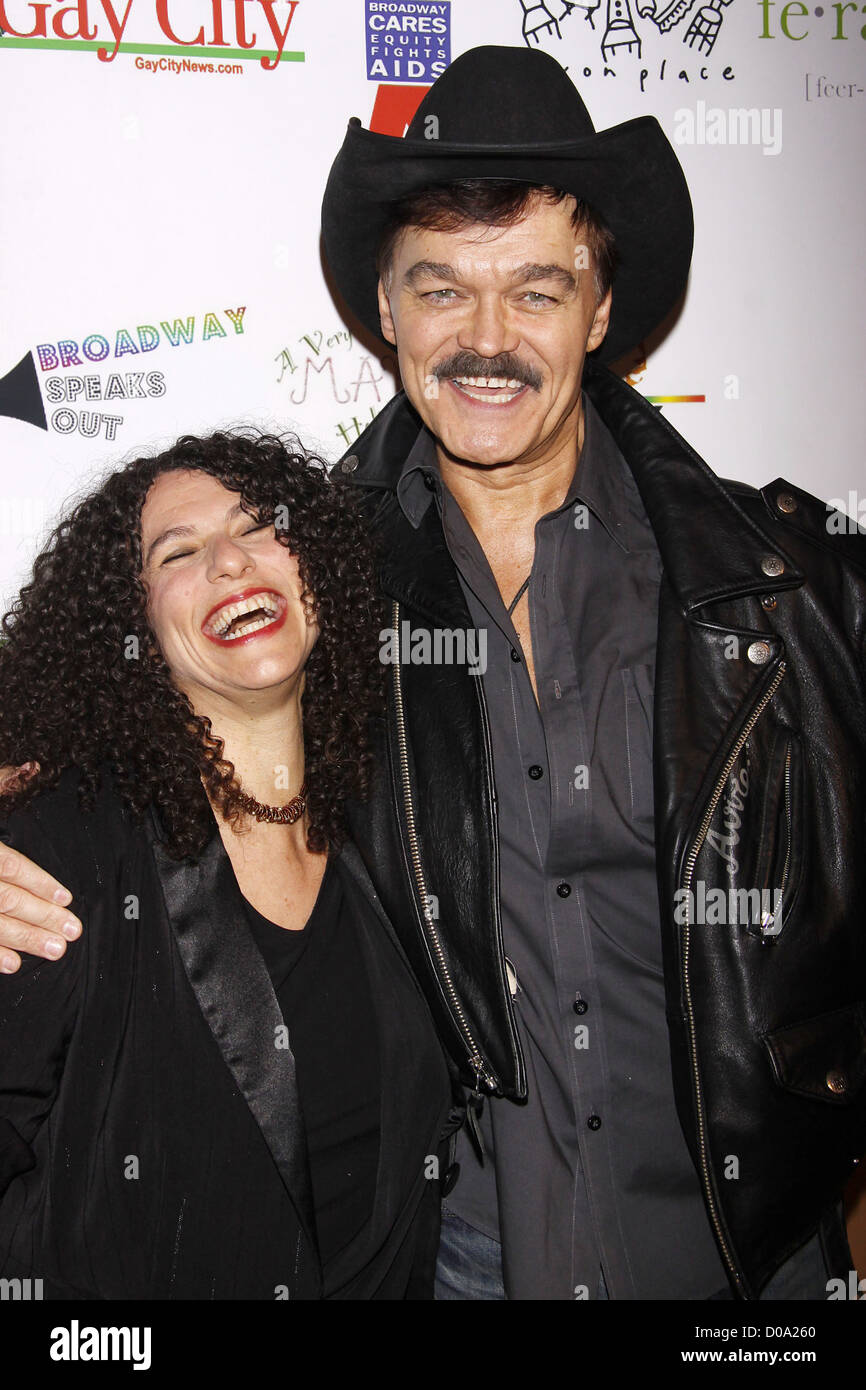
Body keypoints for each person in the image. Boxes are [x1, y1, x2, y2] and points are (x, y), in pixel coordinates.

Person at [2, 45, 865, 1301]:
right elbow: (103, 703)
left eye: (534, 289)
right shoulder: (311, 596)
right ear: (386, 310)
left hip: (757, 1270)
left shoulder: (792, 592)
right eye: (441, 288)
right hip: (462, 1267)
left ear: (601, 308)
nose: (485, 341)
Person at [0, 431, 453, 1300]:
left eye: (261, 526)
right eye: (178, 551)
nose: (230, 562)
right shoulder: (64, 847)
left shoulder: (394, 816)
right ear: (132, 626)